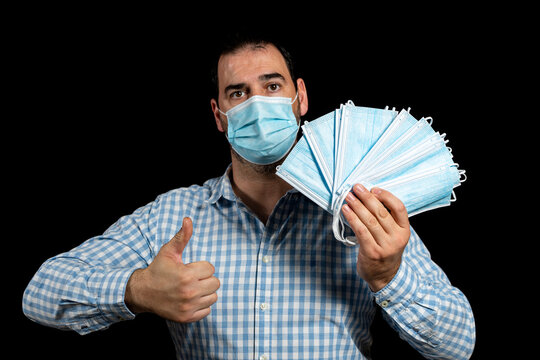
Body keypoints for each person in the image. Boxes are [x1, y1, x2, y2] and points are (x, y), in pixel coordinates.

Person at [23, 34, 476, 359]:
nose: (257, 104)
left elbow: (458, 344)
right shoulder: (172, 217)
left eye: (272, 86)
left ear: (300, 98)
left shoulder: (364, 210)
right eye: (238, 94)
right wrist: (137, 290)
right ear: (219, 116)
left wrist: (388, 275)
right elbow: (40, 293)